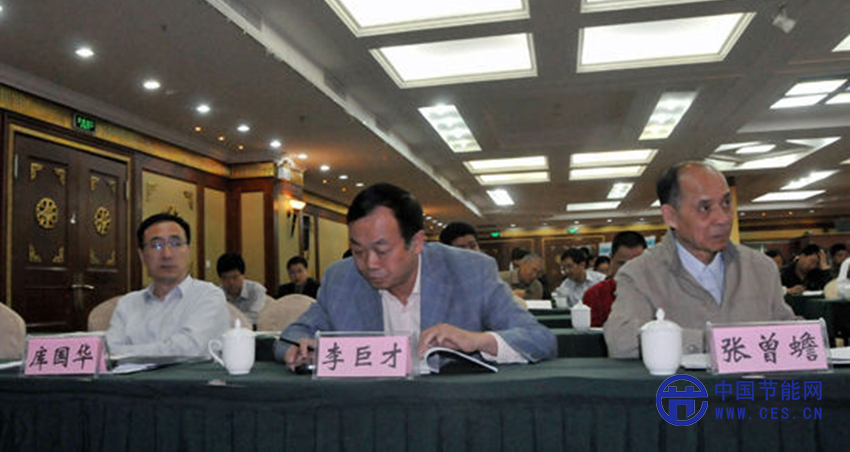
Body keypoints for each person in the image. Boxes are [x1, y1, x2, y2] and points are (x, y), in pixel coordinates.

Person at [276, 183, 556, 370]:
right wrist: (298, 350)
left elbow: (539, 339)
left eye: (382, 250)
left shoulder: (471, 271)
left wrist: (478, 340)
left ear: (418, 242)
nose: (369, 264)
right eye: (358, 251)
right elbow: (292, 336)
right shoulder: (342, 278)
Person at [604, 161, 795, 358]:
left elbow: (788, 329)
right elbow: (621, 340)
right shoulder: (640, 273)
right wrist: (711, 343)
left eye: (726, 203)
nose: (723, 219)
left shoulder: (761, 267)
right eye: (705, 208)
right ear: (671, 216)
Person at [106, 213, 230, 357]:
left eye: (175, 244)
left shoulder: (209, 296)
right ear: (142, 256)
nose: (167, 254)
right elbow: (110, 351)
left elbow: (190, 349)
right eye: (156, 245)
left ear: (189, 251)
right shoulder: (127, 304)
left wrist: (127, 352)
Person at [582, 231, 647, 327]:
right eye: (622, 264)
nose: (629, 271)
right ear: (611, 259)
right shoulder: (594, 295)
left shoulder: (659, 293)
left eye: (636, 264)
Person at [217, 252, 268, 326]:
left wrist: (231, 320)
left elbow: (256, 317)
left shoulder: (256, 290)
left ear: (243, 275)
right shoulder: (217, 293)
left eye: (235, 277)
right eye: (225, 278)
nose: (231, 282)